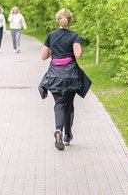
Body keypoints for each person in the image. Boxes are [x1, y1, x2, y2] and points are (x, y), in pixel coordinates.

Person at [38, 8, 91, 151]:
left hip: (55, 75)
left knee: (59, 103)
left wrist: (54, 50)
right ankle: (67, 135)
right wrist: (80, 50)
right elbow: (78, 54)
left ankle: (58, 130)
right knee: (69, 104)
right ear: (70, 20)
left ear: (58, 20)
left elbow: (43, 56)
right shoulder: (74, 36)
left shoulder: (51, 35)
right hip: (70, 75)